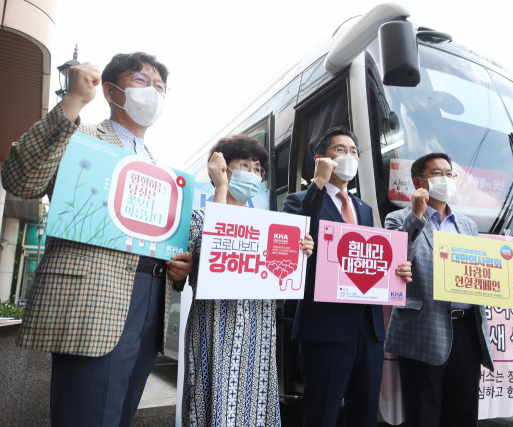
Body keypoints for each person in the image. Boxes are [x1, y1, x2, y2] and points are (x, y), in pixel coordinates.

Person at [1, 52, 194, 427]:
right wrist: (72, 101)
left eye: (160, 87)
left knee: (119, 415)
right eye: (142, 81)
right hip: (96, 299)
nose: (153, 92)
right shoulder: (81, 135)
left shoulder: (161, 171)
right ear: (110, 90)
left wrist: (178, 267)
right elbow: (20, 179)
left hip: (150, 301)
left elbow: (161, 242)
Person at [384, 153, 513, 427]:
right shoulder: (397, 219)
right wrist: (416, 213)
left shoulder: (468, 225)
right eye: (438, 173)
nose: (446, 179)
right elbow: (397, 260)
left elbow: (480, 273)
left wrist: (508, 284)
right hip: (423, 330)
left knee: (462, 414)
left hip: (466, 333)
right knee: (423, 416)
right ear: (418, 182)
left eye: (450, 174)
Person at [283, 126, 412, 427]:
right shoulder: (299, 199)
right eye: (340, 150)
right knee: (321, 415)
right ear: (321, 158)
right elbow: (297, 236)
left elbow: (367, 262)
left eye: (354, 151)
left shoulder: (364, 209)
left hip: (368, 331)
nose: (349, 156)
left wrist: (397, 270)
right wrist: (317, 183)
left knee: (364, 415)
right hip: (325, 328)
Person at [182, 135, 314, 427]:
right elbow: (207, 261)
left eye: (258, 170)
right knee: (212, 400)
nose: (253, 174)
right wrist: (221, 189)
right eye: (245, 165)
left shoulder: (269, 226)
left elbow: (281, 285)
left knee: (255, 404)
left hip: (258, 330)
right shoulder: (198, 218)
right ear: (223, 169)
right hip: (216, 326)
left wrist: (300, 255)